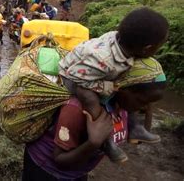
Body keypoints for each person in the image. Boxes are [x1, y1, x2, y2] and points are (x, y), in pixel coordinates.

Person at [23, 57, 167, 180]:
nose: (145, 107)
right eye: (143, 101)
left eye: (151, 103)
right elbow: (59, 160)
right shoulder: (77, 108)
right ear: (122, 88)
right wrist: (93, 143)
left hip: (79, 170)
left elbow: (139, 140)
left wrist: (148, 109)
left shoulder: (124, 107)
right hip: (47, 170)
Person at [59, 8, 169, 163]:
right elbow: (76, 77)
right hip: (73, 78)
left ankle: (135, 127)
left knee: (128, 87)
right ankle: (106, 139)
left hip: (95, 73)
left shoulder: (126, 46)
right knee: (88, 96)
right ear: (147, 49)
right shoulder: (103, 59)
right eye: (159, 46)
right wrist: (108, 87)